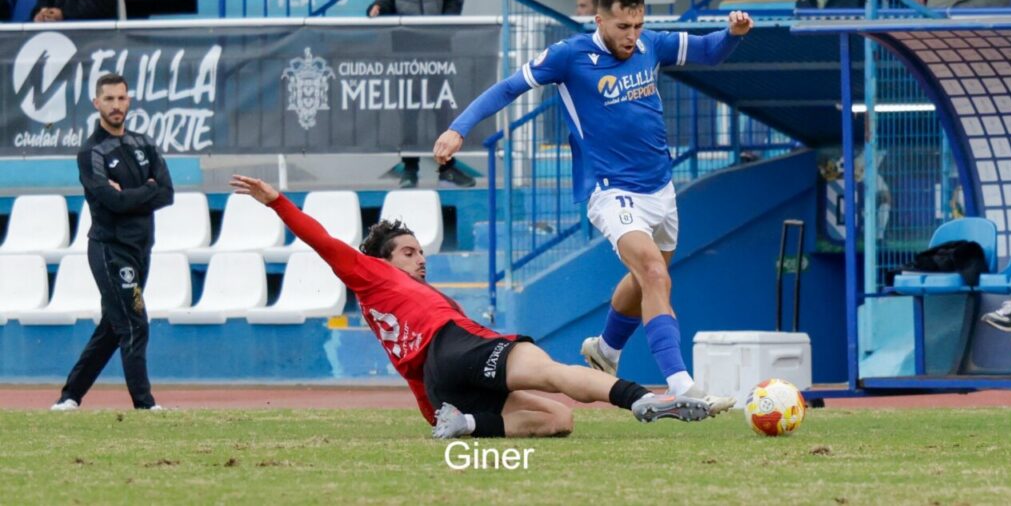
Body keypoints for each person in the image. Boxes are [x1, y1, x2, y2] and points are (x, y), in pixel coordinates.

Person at [434, 0, 753, 413]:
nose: (632, 35)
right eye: (623, 26)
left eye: (638, 25)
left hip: (661, 186)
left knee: (646, 280)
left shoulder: (650, 44)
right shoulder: (569, 56)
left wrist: (732, 33)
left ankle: (606, 349)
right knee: (656, 275)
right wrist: (458, 127)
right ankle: (681, 387)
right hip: (611, 190)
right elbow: (509, 88)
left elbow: (709, 52)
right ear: (599, 20)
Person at [230, 173, 714, 438]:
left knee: (557, 420)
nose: (421, 260)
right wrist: (277, 201)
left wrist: (436, 410)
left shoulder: (407, 304)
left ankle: (468, 425)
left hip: (442, 380)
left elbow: (412, 373)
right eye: (409, 252)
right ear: (380, 260)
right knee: (551, 372)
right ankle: (645, 399)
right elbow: (323, 240)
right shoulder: (369, 273)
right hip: (455, 346)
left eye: (421, 251)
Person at [51, 73, 174, 412]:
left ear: (128, 100)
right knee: (135, 321)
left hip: (141, 248)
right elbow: (111, 202)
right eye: (109, 99)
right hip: (110, 249)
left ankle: (70, 397)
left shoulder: (143, 143)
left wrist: (139, 193)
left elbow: (166, 193)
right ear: (97, 103)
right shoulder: (91, 152)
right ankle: (144, 405)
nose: (116, 105)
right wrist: (147, 190)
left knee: (112, 327)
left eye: (121, 98)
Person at [369, 0, 471, 190]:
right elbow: (384, 3)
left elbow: (455, 0)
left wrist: (441, 27)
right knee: (410, 109)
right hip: (406, 53)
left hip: (438, 51)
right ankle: (410, 168)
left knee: (441, 108)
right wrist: (375, 10)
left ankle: (446, 167)